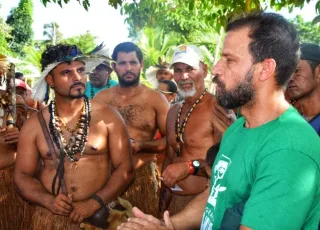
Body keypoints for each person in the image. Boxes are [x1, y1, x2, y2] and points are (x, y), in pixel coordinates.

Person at [118, 12, 320, 230]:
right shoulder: (237, 130)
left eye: (229, 60)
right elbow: (216, 194)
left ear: (265, 69)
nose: (215, 69)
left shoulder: (289, 150)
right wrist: (169, 225)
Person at [14, 44, 134, 230]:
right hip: (54, 218)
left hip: (104, 215)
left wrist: (93, 203)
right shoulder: (34, 126)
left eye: (80, 70)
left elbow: (125, 169)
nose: (77, 77)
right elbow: (22, 175)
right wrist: (48, 201)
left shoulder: (108, 117)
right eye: (66, 73)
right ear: (50, 80)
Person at [94, 42, 169, 217]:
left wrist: (141, 145)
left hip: (141, 178)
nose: (128, 68)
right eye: (122, 63)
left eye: (133, 63)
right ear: (114, 67)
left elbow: (171, 140)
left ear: (141, 64)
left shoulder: (156, 99)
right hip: (104, 178)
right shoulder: (101, 99)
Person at [159, 44, 232, 216]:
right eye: (177, 70)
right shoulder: (173, 111)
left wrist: (190, 166)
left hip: (204, 206)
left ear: (205, 70)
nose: (183, 76)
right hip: (174, 204)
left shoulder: (219, 109)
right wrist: (162, 206)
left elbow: (230, 159)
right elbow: (169, 159)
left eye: (190, 69)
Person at [287, 43, 320, 135]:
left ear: (318, 72)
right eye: (288, 73)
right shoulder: (291, 121)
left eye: (297, 71)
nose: (290, 78)